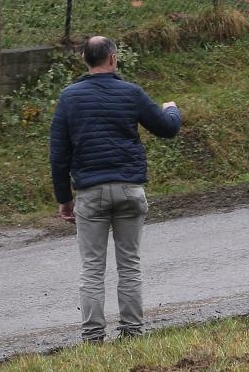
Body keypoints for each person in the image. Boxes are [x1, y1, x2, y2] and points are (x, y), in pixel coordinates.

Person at [49, 35, 182, 343]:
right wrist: (172, 108)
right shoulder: (131, 93)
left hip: (90, 194)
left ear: (85, 59)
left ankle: (93, 336)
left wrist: (64, 200)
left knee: (92, 268)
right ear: (112, 59)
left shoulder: (69, 97)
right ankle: (133, 332)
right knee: (130, 265)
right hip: (129, 191)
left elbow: (59, 155)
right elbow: (168, 127)